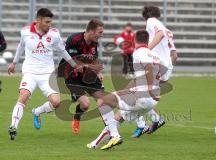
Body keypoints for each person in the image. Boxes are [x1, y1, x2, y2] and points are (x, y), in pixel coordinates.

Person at [7, 8, 96, 140]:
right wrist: (14, 62)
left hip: (47, 74)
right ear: (38, 20)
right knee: (23, 95)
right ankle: (13, 126)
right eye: (47, 22)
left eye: (51, 22)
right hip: (30, 72)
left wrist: (74, 65)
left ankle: (36, 112)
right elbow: (21, 45)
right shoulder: (25, 32)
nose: (50, 25)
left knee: (56, 102)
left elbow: (62, 51)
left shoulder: (54, 34)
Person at [87, 30, 168, 150]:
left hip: (142, 96)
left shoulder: (138, 52)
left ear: (135, 40)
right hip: (152, 102)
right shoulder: (155, 56)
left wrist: (149, 89)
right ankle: (94, 144)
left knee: (102, 101)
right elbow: (164, 77)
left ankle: (115, 136)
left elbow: (148, 68)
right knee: (117, 119)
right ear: (148, 41)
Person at [46, 19, 104, 134]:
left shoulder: (94, 42)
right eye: (100, 32)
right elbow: (71, 61)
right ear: (91, 31)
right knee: (86, 104)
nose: (101, 35)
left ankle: (110, 127)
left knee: (102, 99)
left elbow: (93, 58)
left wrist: (98, 72)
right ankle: (77, 118)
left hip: (87, 74)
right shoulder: (74, 40)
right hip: (71, 76)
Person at [131, 5, 178, 138]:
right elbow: (175, 56)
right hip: (165, 67)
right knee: (144, 96)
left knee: (132, 93)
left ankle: (142, 125)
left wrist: (145, 49)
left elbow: (159, 34)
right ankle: (157, 119)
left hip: (156, 64)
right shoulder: (167, 31)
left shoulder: (152, 21)